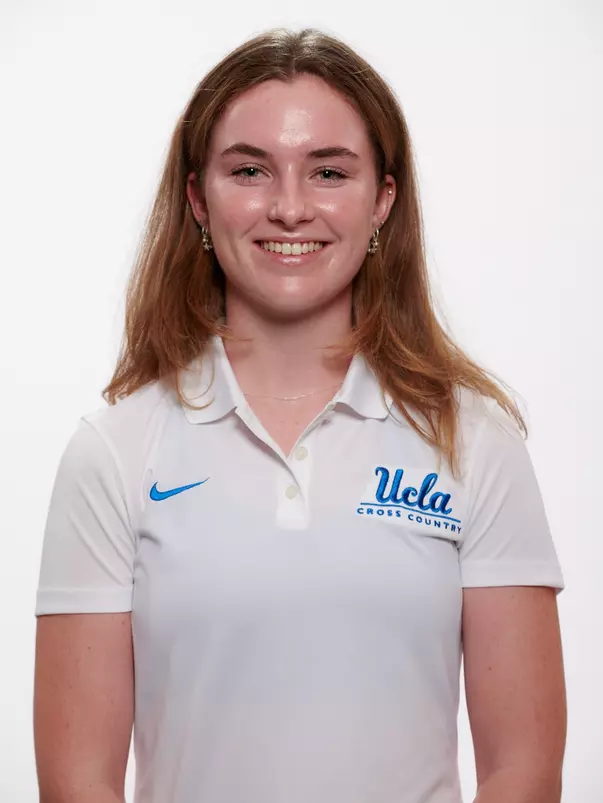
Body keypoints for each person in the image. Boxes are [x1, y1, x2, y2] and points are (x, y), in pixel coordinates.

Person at [33, 26, 567, 803]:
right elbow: (78, 783)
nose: (288, 208)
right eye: (249, 170)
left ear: (383, 198)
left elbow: (523, 771)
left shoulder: (474, 442)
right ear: (196, 200)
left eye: (328, 172)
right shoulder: (114, 453)